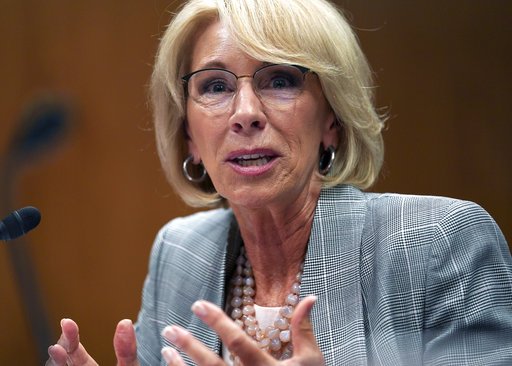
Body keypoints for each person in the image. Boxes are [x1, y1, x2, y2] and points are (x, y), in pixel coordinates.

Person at [46, 0, 512, 365]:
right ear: (188, 134)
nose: (245, 113)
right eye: (215, 86)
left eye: (279, 80)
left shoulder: (440, 243)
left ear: (332, 118)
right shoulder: (179, 253)